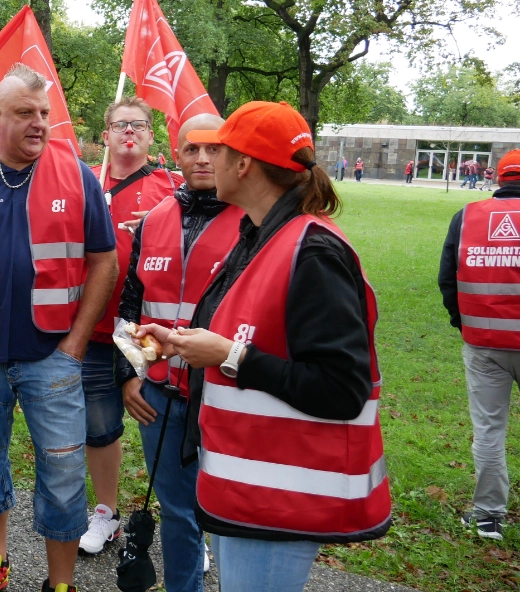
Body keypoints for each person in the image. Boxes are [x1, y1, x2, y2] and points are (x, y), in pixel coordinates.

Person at [137, 101, 390, 592]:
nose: (209, 159)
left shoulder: (313, 250)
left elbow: (342, 388)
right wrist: (183, 343)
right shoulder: (259, 234)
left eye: (220, 148)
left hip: (283, 497)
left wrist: (229, 356)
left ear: (244, 164)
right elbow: (245, 331)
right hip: (250, 485)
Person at [0, 63, 119, 592]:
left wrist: (76, 344)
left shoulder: (76, 174)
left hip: (51, 356)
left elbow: (105, 261)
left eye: (44, 114)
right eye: (25, 113)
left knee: (62, 479)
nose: (39, 124)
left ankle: (60, 583)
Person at [114, 113, 241, 591]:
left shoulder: (253, 221)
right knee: (177, 513)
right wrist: (127, 375)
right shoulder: (155, 221)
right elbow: (130, 303)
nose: (204, 158)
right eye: (192, 149)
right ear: (177, 153)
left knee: (231, 514)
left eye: (214, 148)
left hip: (226, 394)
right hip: (161, 398)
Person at [82, 97, 180, 554]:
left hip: (149, 329)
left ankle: (184, 526)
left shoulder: (171, 188)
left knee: (163, 427)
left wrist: (162, 225)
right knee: (100, 427)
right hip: (95, 329)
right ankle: (106, 513)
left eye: (138, 125)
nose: (129, 132)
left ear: (150, 136)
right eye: (120, 124)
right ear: (105, 135)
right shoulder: (86, 182)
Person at [438, 148, 520, 541]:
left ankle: (489, 516)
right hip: (487, 339)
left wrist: (463, 323)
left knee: (489, 429)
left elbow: (447, 277)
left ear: (497, 178)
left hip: (484, 342)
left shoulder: (467, 216)